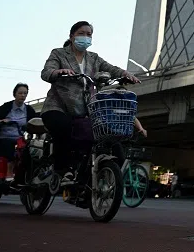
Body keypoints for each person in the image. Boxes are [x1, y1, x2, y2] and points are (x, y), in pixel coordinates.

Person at [40, 21, 139, 179]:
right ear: (71, 36)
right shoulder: (58, 53)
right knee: (64, 127)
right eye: (81, 33)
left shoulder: (94, 58)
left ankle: (87, 177)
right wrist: (58, 71)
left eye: (89, 34)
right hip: (57, 107)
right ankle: (61, 170)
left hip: (85, 109)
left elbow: (111, 69)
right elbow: (46, 72)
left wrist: (126, 74)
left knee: (104, 133)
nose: (85, 37)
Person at [0, 83, 37, 169]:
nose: (23, 95)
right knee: (8, 147)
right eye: (20, 93)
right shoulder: (6, 106)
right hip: (4, 137)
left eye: (25, 93)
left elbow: (35, 121)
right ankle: (9, 172)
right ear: (15, 94)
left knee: (31, 150)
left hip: (21, 138)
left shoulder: (29, 109)